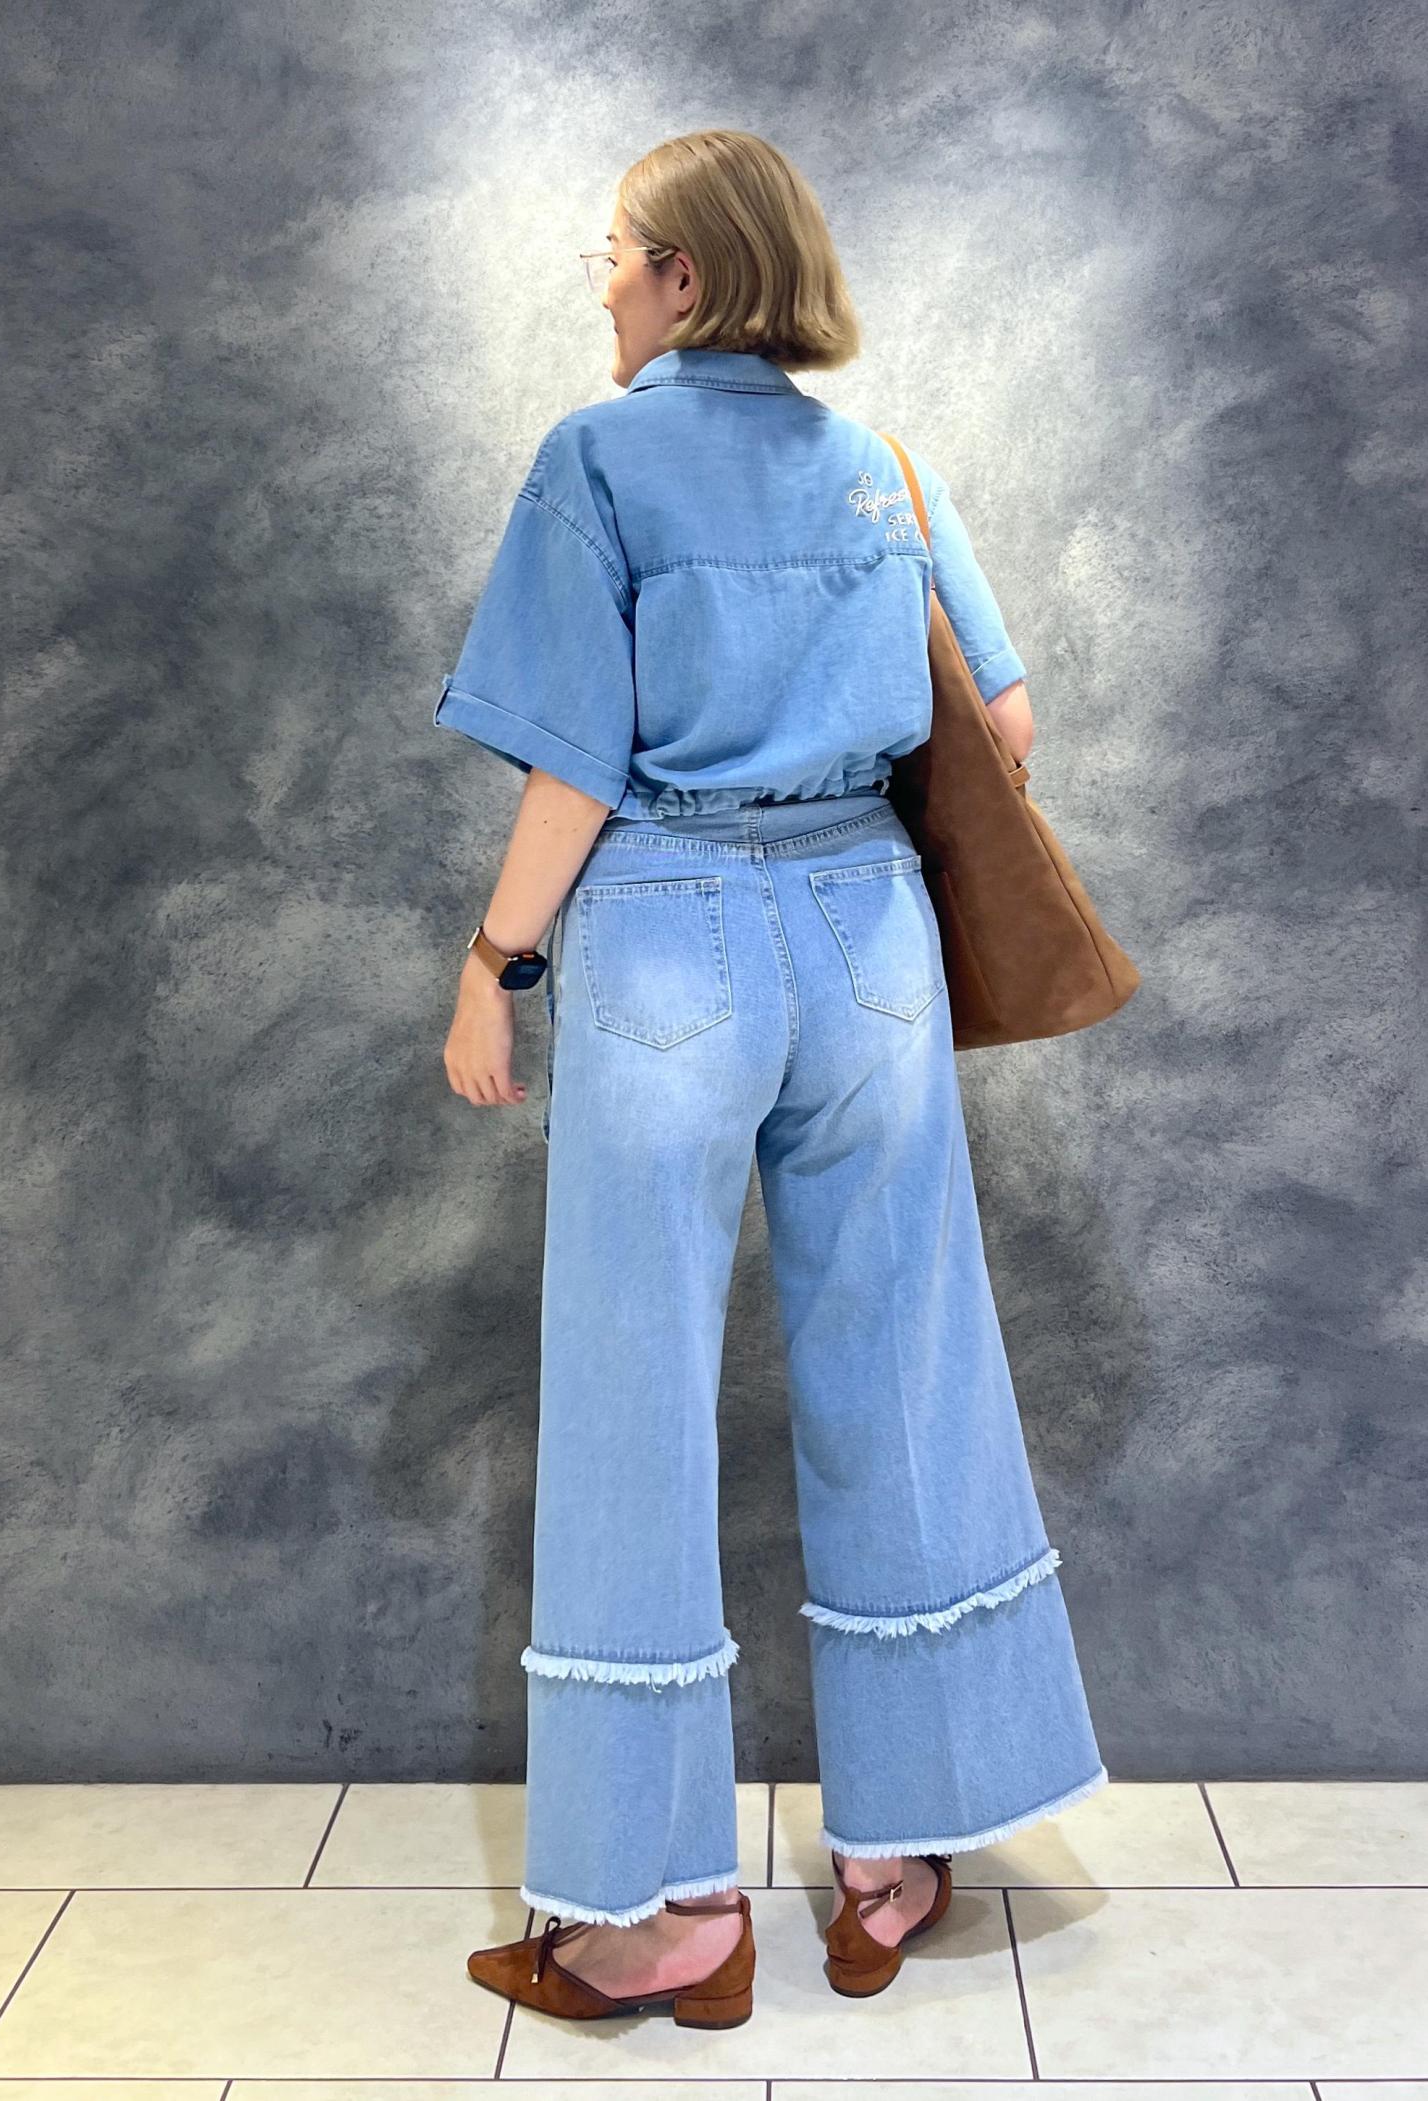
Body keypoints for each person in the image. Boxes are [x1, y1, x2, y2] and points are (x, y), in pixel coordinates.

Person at [438, 129, 1107, 2028]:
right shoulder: (884, 466)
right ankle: (900, 1856)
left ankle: (668, 1913)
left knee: (632, 1390)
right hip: (870, 942)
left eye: (616, 250)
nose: (600, 280)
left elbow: (573, 763)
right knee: (905, 1361)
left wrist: (494, 965)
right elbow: (1006, 721)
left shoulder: (597, 461)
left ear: (688, 276)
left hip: (669, 938)